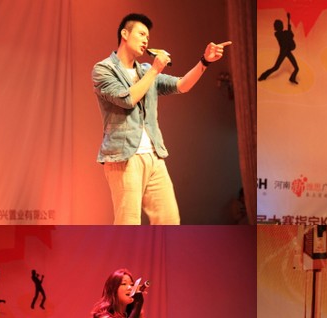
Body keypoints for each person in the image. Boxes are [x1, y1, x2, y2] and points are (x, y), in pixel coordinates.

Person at [92, 13, 232, 225]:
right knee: (128, 223)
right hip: (123, 157)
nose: (146, 40)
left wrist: (205, 61)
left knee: (169, 220)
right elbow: (127, 99)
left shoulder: (145, 70)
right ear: (125, 34)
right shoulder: (103, 69)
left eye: (148, 37)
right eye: (141, 34)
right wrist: (155, 69)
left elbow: (182, 85)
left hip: (154, 155)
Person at [258, 12, 299, 84]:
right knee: (276, 67)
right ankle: (263, 76)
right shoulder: (277, 34)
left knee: (296, 68)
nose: (282, 26)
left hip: (287, 51)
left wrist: (289, 28)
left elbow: (290, 35)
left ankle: (292, 78)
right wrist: (289, 30)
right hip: (283, 52)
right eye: (281, 25)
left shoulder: (284, 33)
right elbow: (289, 36)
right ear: (279, 27)